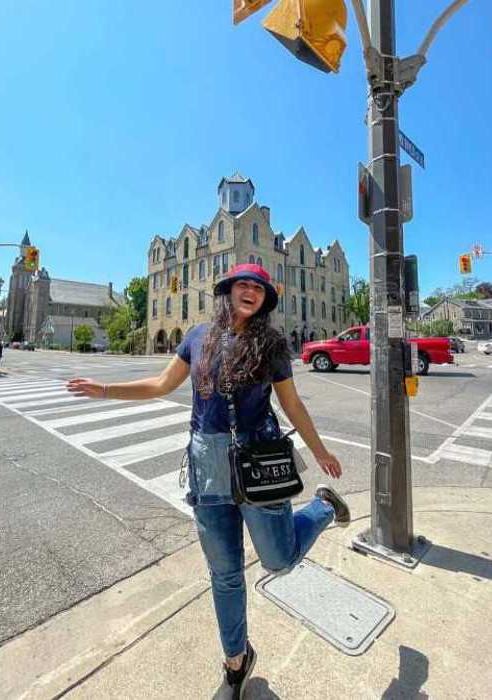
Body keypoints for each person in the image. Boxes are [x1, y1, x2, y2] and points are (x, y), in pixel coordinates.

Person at [66, 263, 351, 698]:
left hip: (257, 459)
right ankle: (235, 662)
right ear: (228, 291)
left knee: (278, 560)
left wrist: (320, 451)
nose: (250, 291)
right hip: (206, 463)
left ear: (265, 300)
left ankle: (323, 506)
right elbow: (162, 384)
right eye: (243, 284)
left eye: (258, 287)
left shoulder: (271, 344)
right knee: (225, 573)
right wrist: (106, 390)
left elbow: (291, 404)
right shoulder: (198, 337)